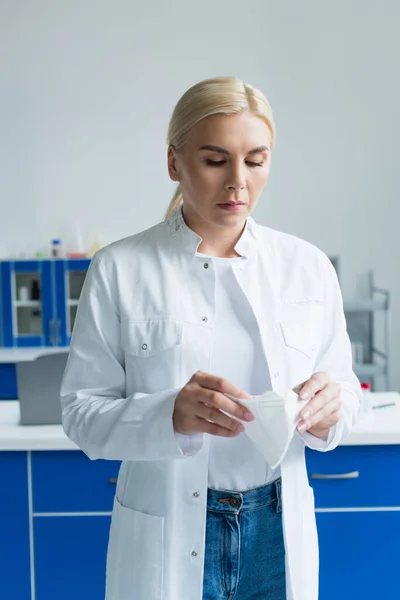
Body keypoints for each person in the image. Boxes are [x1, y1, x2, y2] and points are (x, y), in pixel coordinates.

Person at [60, 76, 361, 600]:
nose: (237, 183)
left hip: (277, 527)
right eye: (215, 160)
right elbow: (82, 413)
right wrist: (167, 414)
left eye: (255, 160)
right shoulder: (119, 269)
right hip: (173, 524)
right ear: (175, 163)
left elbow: (343, 392)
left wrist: (334, 407)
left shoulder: (307, 267)